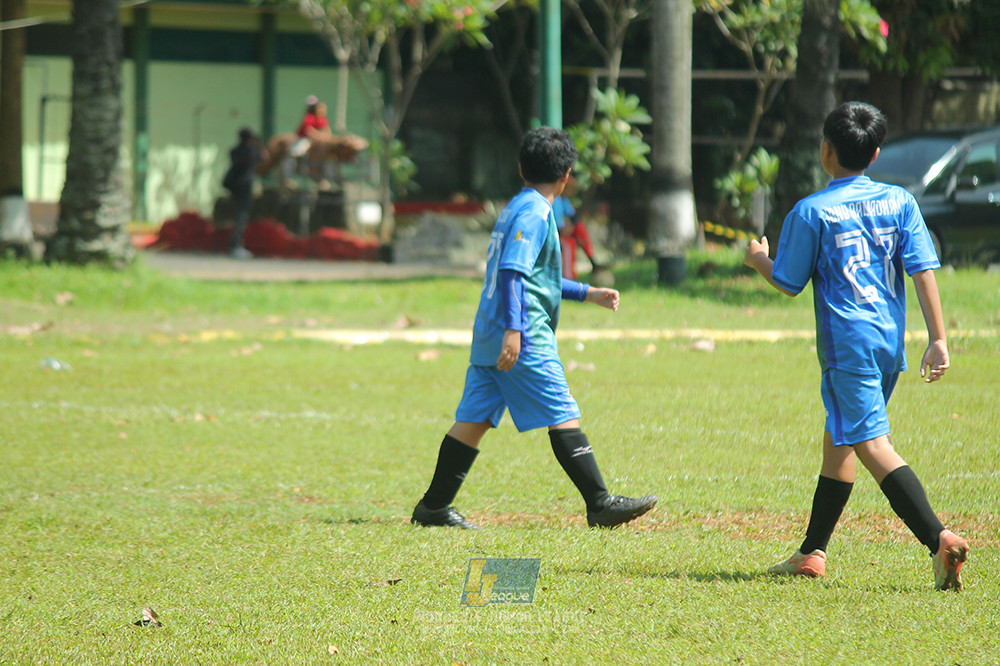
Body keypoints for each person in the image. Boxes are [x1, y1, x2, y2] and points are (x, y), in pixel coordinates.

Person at [743, 101, 969, 590]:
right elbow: (922, 270)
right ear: (876, 152)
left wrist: (759, 258)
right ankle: (812, 553)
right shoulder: (900, 201)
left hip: (848, 347)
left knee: (869, 444)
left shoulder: (811, 211)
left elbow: (787, 281)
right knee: (840, 440)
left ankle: (939, 538)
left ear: (826, 150)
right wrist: (938, 339)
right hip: (889, 343)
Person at [411, 126, 657, 530]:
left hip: (491, 330)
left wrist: (586, 292)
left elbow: (535, 276)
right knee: (562, 409)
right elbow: (513, 272)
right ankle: (600, 503)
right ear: (567, 176)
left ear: (521, 168)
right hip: (520, 331)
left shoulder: (517, 206)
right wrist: (516, 329)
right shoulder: (536, 212)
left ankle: (433, 507)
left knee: (473, 418)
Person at [223, 127, 263, 259]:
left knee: (236, 215)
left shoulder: (235, 151)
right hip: (246, 186)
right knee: (242, 216)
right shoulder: (253, 151)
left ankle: (234, 244)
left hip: (234, 185)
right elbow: (262, 158)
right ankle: (236, 246)